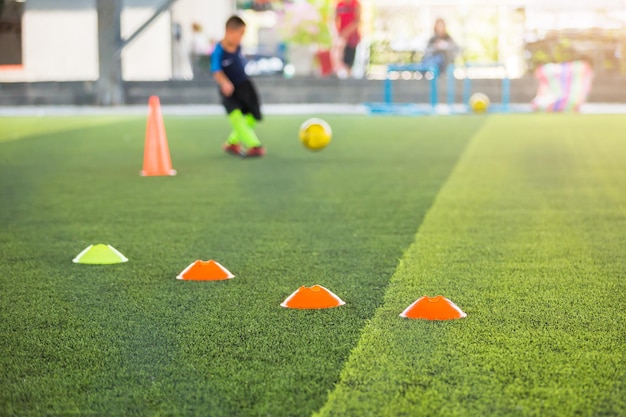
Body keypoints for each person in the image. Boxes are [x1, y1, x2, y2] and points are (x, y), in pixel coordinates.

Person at [211, 16, 265, 157]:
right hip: (229, 89)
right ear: (229, 31)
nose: (241, 38)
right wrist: (225, 82)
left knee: (253, 116)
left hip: (244, 86)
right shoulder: (218, 50)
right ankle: (254, 145)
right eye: (240, 34)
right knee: (236, 116)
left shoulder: (239, 47)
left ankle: (232, 143)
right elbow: (216, 71)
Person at [335, 0, 361, 78]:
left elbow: (357, 20)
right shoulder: (340, 4)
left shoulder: (356, 4)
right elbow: (336, 19)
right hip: (342, 36)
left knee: (350, 57)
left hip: (352, 36)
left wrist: (347, 31)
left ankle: (349, 74)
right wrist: (340, 33)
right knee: (340, 56)